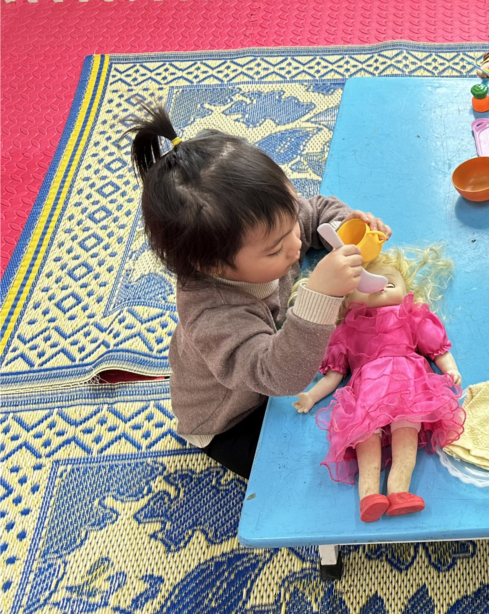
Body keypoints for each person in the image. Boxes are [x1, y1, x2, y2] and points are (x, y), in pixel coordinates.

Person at [128, 103, 389, 480]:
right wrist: (319, 296)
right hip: (233, 418)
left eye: (291, 224)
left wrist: (344, 227)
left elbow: (314, 212)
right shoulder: (213, 315)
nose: (295, 244)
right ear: (213, 266)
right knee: (311, 471)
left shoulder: (269, 228)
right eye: (275, 249)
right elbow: (278, 376)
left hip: (275, 359)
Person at [292, 247, 465, 522]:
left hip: (408, 386)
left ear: (407, 291)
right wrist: (311, 396)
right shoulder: (347, 330)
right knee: (366, 436)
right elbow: (334, 376)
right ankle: (369, 495)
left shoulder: (410, 316)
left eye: (391, 284)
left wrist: (451, 369)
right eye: (367, 285)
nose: (381, 288)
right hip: (368, 392)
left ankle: (399, 491)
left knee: (406, 434)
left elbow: (437, 350)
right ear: (347, 299)